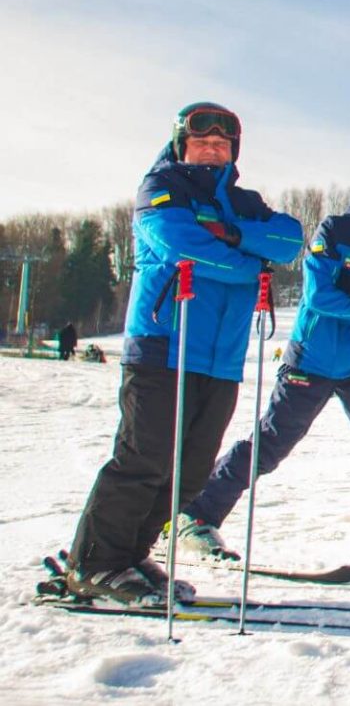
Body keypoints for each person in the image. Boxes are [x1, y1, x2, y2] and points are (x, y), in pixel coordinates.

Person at [63, 102, 303, 606]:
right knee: (144, 459)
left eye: (223, 143)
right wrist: (246, 262)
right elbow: (182, 246)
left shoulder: (243, 202)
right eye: (202, 140)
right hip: (163, 347)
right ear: (181, 143)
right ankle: (95, 564)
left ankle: (131, 554)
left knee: (189, 472)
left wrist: (233, 233)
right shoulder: (162, 187)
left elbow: (288, 240)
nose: (213, 147)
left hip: (221, 356)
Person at [175, 154, 350, 560]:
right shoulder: (337, 229)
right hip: (311, 358)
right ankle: (197, 513)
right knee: (271, 444)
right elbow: (320, 297)